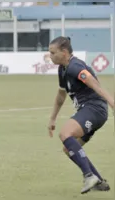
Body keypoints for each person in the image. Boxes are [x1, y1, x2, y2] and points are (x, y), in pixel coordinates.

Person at [47, 36, 113, 194]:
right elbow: (61, 96)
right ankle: (98, 181)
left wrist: (112, 101)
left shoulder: (74, 66)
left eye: (53, 53)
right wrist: (52, 118)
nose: (50, 56)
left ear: (64, 52)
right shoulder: (62, 69)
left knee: (65, 133)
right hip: (90, 110)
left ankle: (88, 175)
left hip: (94, 109)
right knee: (68, 148)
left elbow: (94, 83)